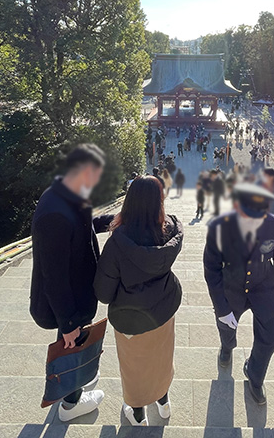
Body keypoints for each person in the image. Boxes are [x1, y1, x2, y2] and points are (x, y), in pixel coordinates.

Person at [29, 144, 114, 422]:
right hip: (66, 300)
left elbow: (83, 228)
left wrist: (112, 221)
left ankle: (73, 385)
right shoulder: (54, 214)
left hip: (78, 292)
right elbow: (53, 277)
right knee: (69, 344)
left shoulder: (68, 194)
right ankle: (70, 403)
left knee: (72, 343)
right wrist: (67, 323)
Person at [94, 176, 183, 426]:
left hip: (131, 317)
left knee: (135, 366)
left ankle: (137, 411)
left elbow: (103, 292)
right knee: (161, 358)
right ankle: (163, 401)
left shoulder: (118, 244)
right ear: (159, 202)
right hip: (164, 308)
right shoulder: (170, 232)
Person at [203, 183, 274, 406]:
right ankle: (227, 347)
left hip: (264, 287)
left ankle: (255, 374)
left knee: (271, 338)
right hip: (232, 288)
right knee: (227, 326)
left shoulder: (271, 223)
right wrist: (221, 308)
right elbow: (211, 269)